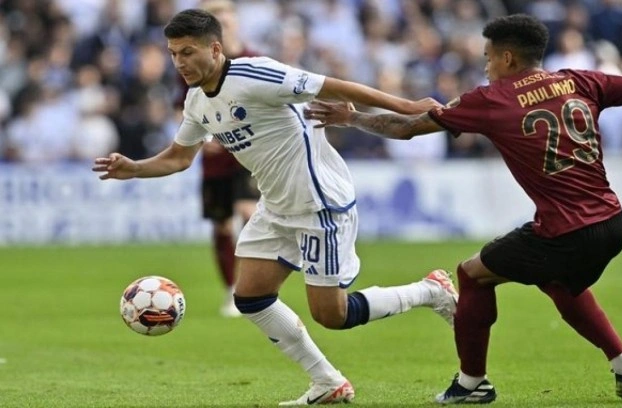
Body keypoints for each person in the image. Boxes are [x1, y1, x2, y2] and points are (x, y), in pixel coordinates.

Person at [304, 14, 622, 405]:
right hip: (611, 222)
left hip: (565, 230)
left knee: (472, 274)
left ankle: (472, 383)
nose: (486, 66)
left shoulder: (492, 99)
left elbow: (404, 129)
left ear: (508, 58)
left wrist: (352, 117)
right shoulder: (581, 80)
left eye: (488, 57)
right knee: (558, 282)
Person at [92, 9, 457, 406]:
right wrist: (135, 168)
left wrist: (407, 105)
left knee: (331, 315)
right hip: (277, 206)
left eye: (188, 52)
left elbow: (332, 85)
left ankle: (429, 291)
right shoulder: (196, 101)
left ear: (215, 49)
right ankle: (327, 381)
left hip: (318, 202)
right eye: (173, 54)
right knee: (250, 296)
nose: (179, 62)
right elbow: (179, 157)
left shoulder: (255, 74)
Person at [187, 0, 261, 317]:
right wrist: (203, 137)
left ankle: (250, 287)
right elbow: (185, 106)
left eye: (225, 15)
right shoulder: (195, 64)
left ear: (235, 21)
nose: (222, 21)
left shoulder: (254, 60)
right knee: (222, 226)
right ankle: (231, 288)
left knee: (249, 214)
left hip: (247, 155)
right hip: (215, 159)